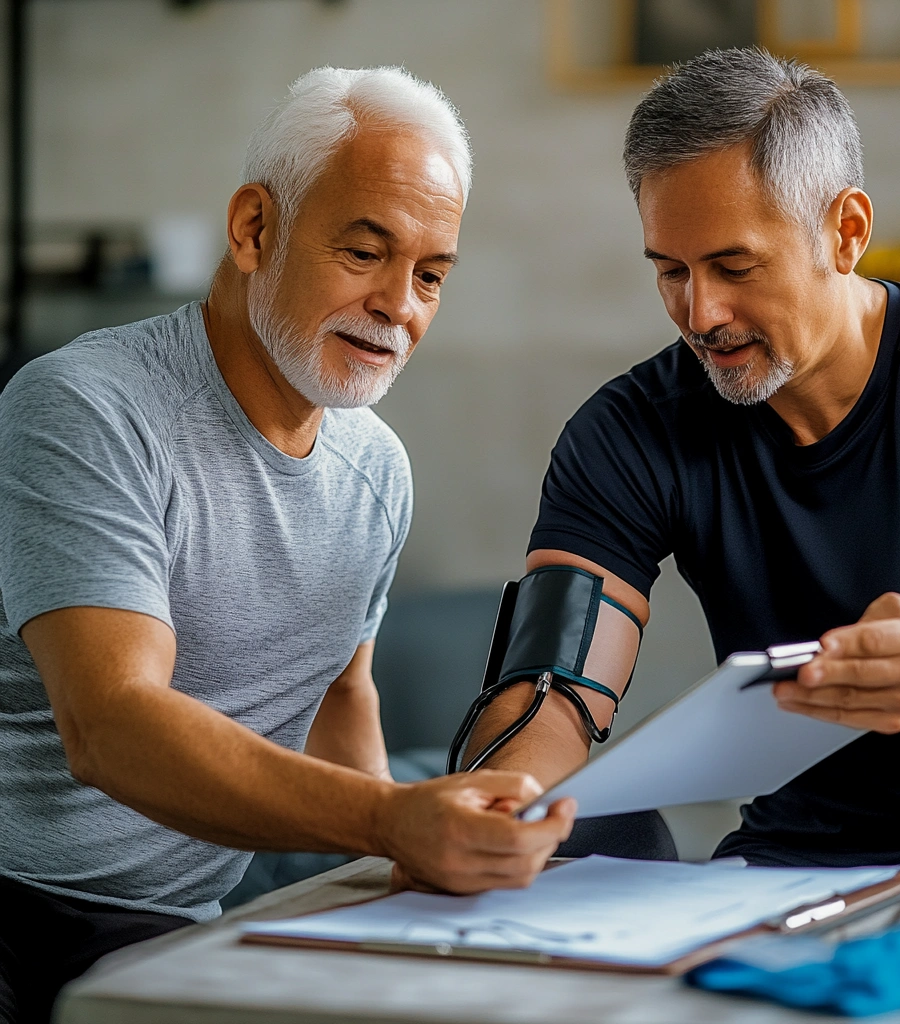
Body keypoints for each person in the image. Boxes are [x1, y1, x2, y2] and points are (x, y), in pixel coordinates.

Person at [0, 66, 574, 1024]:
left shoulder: (375, 468)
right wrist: (392, 822)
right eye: (365, 252)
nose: (400, 304)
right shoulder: (83, 409)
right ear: (254, 230)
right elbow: (108, 725)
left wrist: (407, 877)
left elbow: (341, 694)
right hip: (30, 917)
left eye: (431, 274)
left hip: (189, 915)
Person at [463, 47, 900, 892]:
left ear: (847, 231)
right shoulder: (628, 433)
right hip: (790, 867)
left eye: (734, 267)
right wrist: (501, 804)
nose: (701, 313)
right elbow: (553, 689)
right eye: (670, 271)